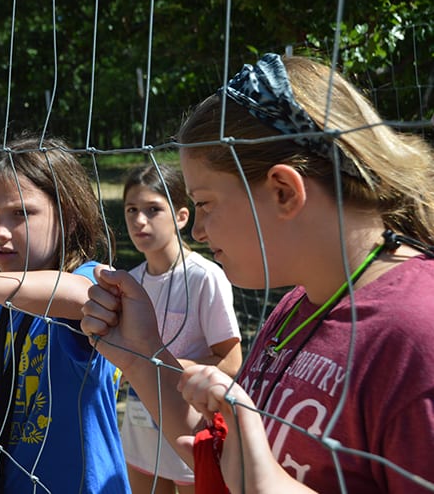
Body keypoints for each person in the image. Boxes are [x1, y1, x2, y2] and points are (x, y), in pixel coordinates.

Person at [80, 53, 434, 493]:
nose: (202, 231)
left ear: (284, 191)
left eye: (205, 203)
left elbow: (257, 476)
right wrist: (139, 353)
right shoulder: (296, 309)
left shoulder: (419, 335)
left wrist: (265, 482)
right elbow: (231, 461)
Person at [0, 135, 130, 493]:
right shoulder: (1, 303)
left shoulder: (90, 281)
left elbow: (75, 293)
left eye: (21, 213)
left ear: (70, 216)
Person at [120, 163, 242, 494]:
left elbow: (231, 362)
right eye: (132, 209)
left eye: (153, 209)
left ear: (182, 217)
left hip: (189, 431)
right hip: (139, 431)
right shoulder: (130, 281)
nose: (139, 220)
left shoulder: (204, 277)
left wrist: (163, 368)